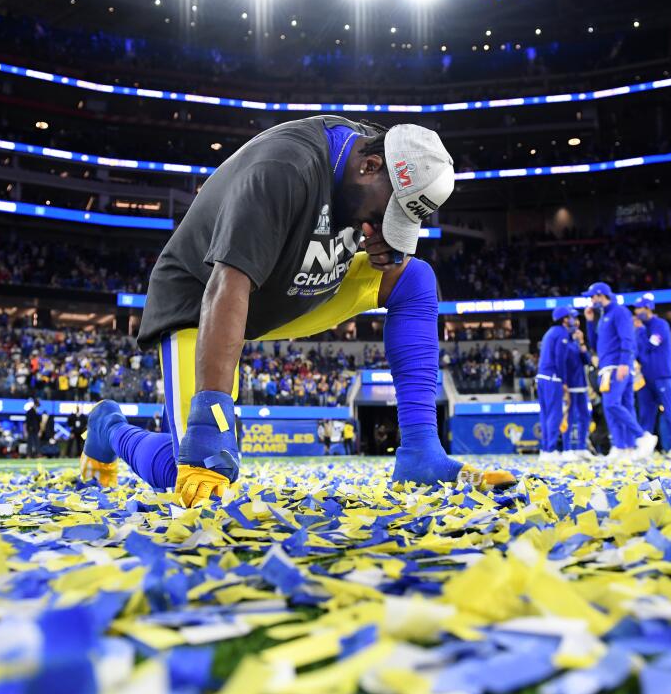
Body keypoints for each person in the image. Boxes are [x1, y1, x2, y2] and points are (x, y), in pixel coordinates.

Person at [80, 116, 513, 504]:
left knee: (414, 278)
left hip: (289, 286)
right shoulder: (282, 168)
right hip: (202, 299)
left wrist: (387, 246)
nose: (383, 228)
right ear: (369, 168)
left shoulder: (367, 159)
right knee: (196, 470)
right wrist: (210, 415)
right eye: (385, 214)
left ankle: (421, 452)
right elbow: (227, 284)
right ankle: (109, 429)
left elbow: (360, 228)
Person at [584, 283, 657, 461]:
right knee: (625, 406)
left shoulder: (619, 311)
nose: (591, 300)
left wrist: (625, 362)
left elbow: (627, 338)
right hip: (610, 366)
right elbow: (595, 344)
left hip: (616, 366)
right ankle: (624, 447)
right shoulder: (603, 316)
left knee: (611, 405)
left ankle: (642, 437)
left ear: (601, 295)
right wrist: (589, 321)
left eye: (593, 297)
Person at [633, 296, 671, 458]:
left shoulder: (660, 325)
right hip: (644, 378)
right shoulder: (638, 329)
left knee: (669, 411)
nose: (637, 312)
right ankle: (645, 447)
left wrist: (639, 331)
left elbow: (650, 345)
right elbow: (637, 352)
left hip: (662, 375)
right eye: (636, 309)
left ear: (648, 308)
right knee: (646, 414)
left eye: (640, 308)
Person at [535, 308, 572, 458]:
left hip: (542, 377)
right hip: (553, 377)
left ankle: (545, 449)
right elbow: (560, 359)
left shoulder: (549, 332)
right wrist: (563, 379)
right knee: (554, 414)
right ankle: (550, 450)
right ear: (564, 319)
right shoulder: (561, 333)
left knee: (545, 414)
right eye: (569, 317)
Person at [558, 308, 591, 459]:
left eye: (577, 319)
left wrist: (582, 343)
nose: (576, 322)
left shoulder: (577, 342)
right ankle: (566, 449)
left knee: (584, 415)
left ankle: (581, 447)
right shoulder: (563, 339)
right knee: (569, 417)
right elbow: (561, 363)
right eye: (573, 319)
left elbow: (588, 361)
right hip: (569, 386)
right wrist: (563, 382)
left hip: (581, 385)